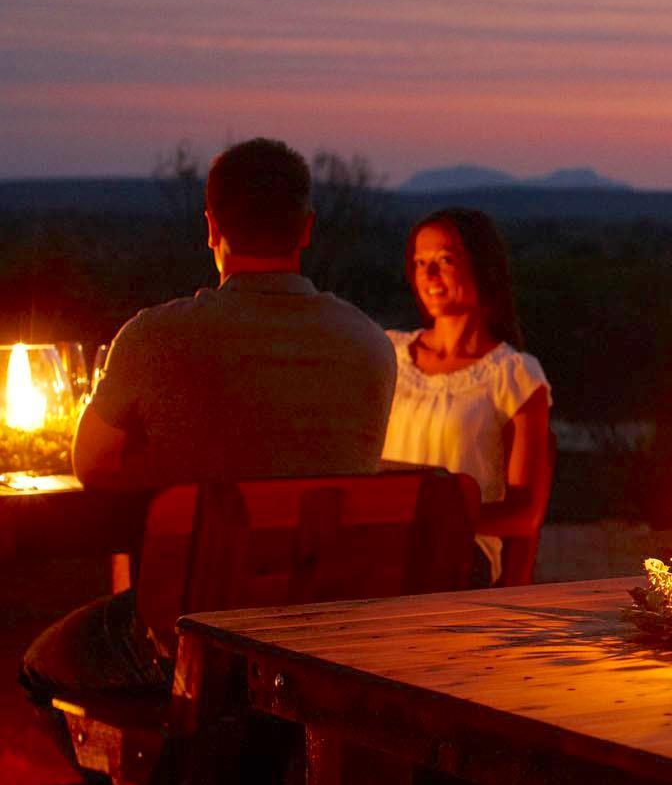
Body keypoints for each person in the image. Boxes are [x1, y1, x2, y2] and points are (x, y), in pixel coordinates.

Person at [21, 137, 395, 710]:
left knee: (42, 662)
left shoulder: (155, 337)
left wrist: (170, 461)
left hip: (193, 626)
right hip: (327, 622)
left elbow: (89, 466)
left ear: (211, 227)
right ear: (306, 229)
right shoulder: (370, 344)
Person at [380, 208, 550, 586]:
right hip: (381, 543)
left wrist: (441, 519)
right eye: (420, 262)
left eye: (444, 260)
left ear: (480, 265)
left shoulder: (513, 375)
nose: (429, 274)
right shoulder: (388, 353)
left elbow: (526, 515)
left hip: (460, 555)